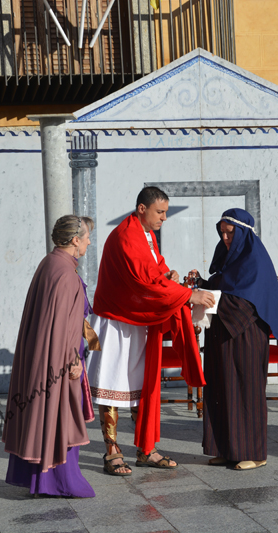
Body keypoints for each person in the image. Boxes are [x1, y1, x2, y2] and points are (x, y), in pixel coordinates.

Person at [87, 186, 215, 476]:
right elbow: (143, 282)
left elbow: (153, 271)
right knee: (112, 386)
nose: (164, 218)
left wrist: (168, 276)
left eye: (166, 212)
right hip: (115, 321)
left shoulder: (146, 234)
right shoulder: (126, 236)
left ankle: (145, 449)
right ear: (142, 209)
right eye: (160, 212)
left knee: (141, 386)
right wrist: (188, 295)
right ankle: (111, 452)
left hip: (138, 319)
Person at [3, 215, 97, 497]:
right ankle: (60, 482)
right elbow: (64, 326)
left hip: (45, 354)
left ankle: (42, 482)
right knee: (61, 413)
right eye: (87, 237)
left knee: (45, 414)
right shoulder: (65, 273)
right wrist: (73, 360)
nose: (89, 243)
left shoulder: (49, 263)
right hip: (59, 359)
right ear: (75, 240)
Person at [190, 208, 278, 471]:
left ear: (242, 233)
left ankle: (254, 453)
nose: (225, 238)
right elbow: (225, 287)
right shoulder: (231, 259)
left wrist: (207, 297)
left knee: (245, 391)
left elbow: (245, 303)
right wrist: (200, 284)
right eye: (222, 233)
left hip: (245, 336)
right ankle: (225, 449)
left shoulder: (256, 261)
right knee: (221, 389)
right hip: (223, 333)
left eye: (230, 233)